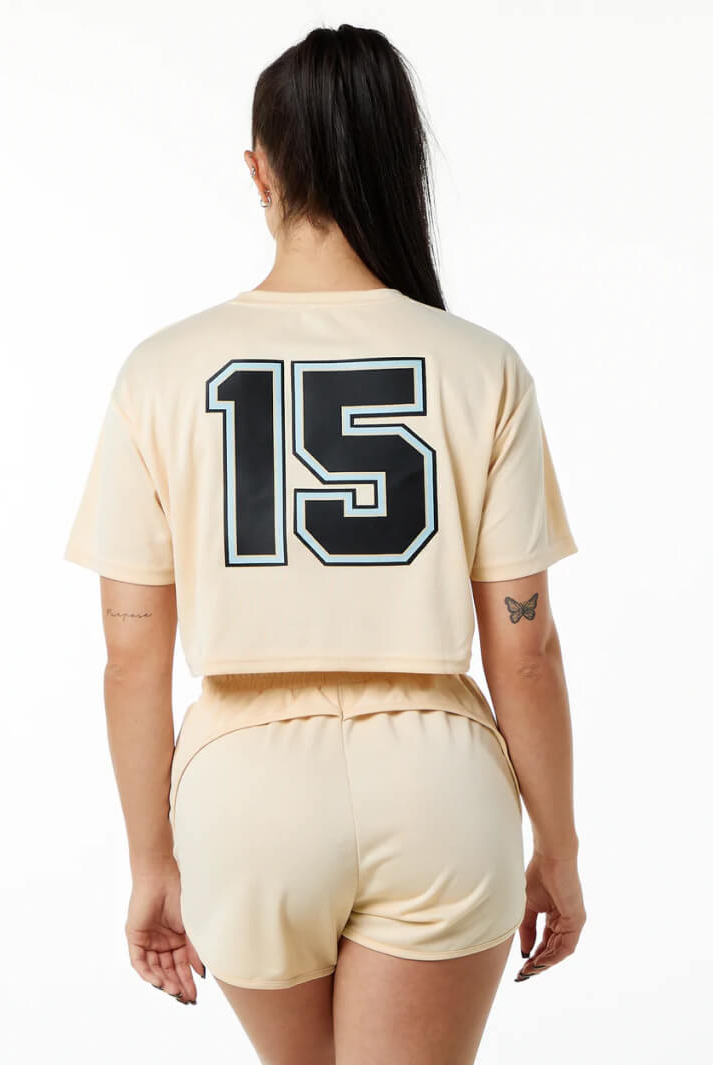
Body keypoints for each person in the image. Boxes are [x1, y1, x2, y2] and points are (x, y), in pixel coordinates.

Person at [64, 23, 586, 1065]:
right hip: (437, 785)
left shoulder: (159, 372)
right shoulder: (481, 367)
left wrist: (151, 858)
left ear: (259, 171)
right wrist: (558, 849)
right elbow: (523, 644)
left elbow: (130, 656)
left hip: (243, 791)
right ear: (398, 161)